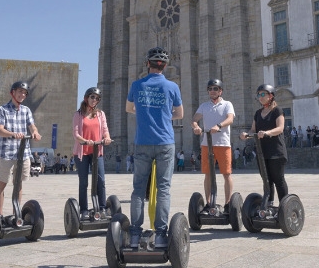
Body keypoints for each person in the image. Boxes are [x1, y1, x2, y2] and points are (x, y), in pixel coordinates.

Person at [126, 46, 183, 248]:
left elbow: (128, 108)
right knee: (164, 189)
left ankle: (134, 235)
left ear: (147, 64)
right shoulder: (172, 86)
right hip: (165, 142)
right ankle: (160, 235)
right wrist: (166, 116)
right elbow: (180, 114)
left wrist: (143, 113)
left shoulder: (137, 84)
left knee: (138, 190)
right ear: (165, 66)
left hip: (142, 141)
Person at [0, 81, 42, 218]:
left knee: (18, 184)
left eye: (25, 93)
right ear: (13, 92)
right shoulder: (2, 110)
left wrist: (35, 133)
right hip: (7, 153)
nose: (22, 94)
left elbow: (32, 126)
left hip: (23, 153)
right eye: (20, 91)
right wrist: (13, 134)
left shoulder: (26, 110)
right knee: (2, 183)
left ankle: (16, 214)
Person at [240, 84, 288, 207]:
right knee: (267, 180)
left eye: (263, 94)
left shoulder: (277, 110)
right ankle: (269, 204)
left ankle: (284, 205)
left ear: (270, 96)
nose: (260, 97)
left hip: (276, 151)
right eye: (258, 95)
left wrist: (267, 133)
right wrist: (246, 134)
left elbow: (280, 128)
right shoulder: (258, 113)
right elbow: (253, 130)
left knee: (278, 179)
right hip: (262, 151)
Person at [192, 79, 235, 214]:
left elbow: (230, 119)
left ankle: (228, 203)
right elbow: (194, 119)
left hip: (223, 143)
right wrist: (196, 127)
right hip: (206, 144)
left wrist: (219, 126)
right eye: (210, 89)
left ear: (220, 91)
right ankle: (209, 202)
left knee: (226, 174)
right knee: (208, 175)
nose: (212, 91)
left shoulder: (227, 104)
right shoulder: (204, 106)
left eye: (215, 89)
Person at [72, 87, 112, 219]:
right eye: (92, 97)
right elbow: (76, 133)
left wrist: (106, 137)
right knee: (83, 182)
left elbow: (105, 129)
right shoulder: (78, 115)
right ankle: (83, 209)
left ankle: (102, 208)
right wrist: (85, 141)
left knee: (101, 180)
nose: (95, 100)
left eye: (97, 98)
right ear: (86, 98)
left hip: (97, 152)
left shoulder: (101, 114)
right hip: (82, 152)